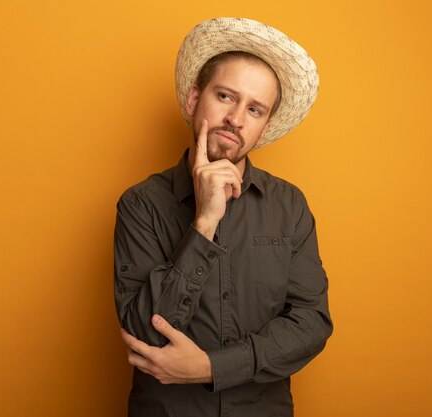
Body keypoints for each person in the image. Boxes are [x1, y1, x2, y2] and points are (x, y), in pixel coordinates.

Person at [114, 17, 333, 417]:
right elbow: (145, 334)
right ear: (194, 99)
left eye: (255, 108)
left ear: (264, 128)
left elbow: (311, 324)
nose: (236, 119)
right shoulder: (140, 204)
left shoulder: (290, 206)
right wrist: (205, 221)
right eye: (226, 97)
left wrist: (211, 368)